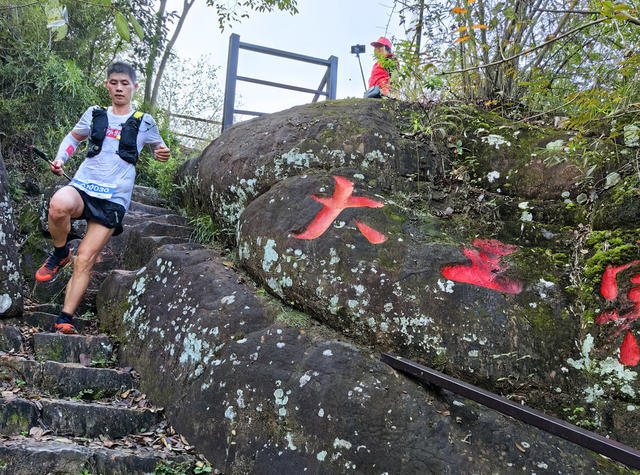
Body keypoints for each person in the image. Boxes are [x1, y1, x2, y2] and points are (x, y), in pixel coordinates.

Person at [35, 61, 170, 334]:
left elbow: (159, 145)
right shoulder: (95, 114)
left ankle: (65, 318)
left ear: (134, 87)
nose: (119, 88)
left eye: (125, 83)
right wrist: (61, 158)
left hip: (114, 198)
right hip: (84, 186)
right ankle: (60, 252)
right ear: (107, 85)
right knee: (58, 203)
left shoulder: (145, 121)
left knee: (85, 258)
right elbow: (73, 138)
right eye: (114, 82)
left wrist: (161, 151)